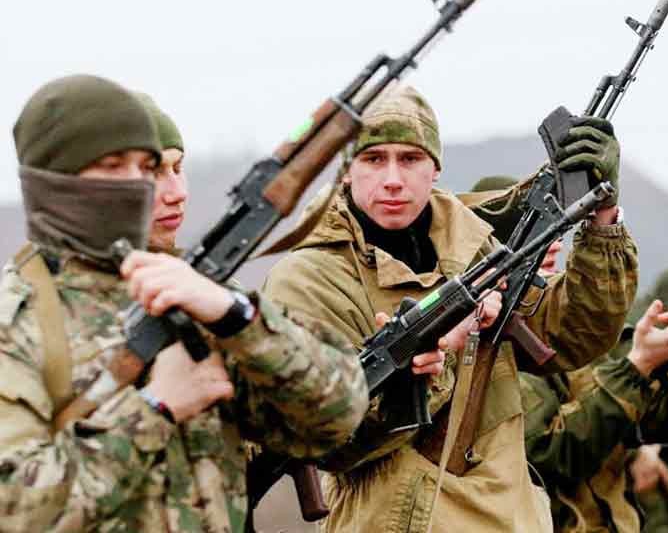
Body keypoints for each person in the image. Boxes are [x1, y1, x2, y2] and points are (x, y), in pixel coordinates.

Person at [263, 85, 639, 532]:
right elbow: (329, 435)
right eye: (373, 159)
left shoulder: (478, 251)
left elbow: (574, 336)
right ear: (346, 170)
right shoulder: (309, 279)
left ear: (435, 168)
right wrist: (440, 351)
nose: (392, 179)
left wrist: (602, 218)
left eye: (410, 159)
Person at [0, 74, 368, 532]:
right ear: (55, 182)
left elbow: (336, 416)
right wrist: (154, 409)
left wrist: (238, 319)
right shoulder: (18, 321)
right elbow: (13, 511)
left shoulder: (187, 296)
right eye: (115, 166)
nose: (152, 189)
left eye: (147, 167)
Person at [520, 261, 668, 533]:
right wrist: (637, 368)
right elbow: (545, 453)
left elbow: (656, 424)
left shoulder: (573, 329)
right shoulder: (505, 337)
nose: (556, 243)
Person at [134, 93, 187, 252]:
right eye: (152, 173)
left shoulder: (191, 276)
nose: (179, 194)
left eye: (177, 168)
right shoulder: (62, 276)